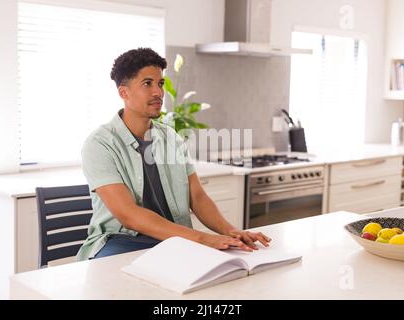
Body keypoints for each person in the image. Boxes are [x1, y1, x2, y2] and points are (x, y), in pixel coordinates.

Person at [76, 48, 271, 261]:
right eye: (147, 83)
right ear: (124, 92)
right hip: (120, 241)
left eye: (160, 84)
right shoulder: (100, 144)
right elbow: (128, 215)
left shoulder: (171, 138)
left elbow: (197, 197)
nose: (158, 92)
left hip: (172, 240)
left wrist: (231, 231)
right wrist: (202, 239)